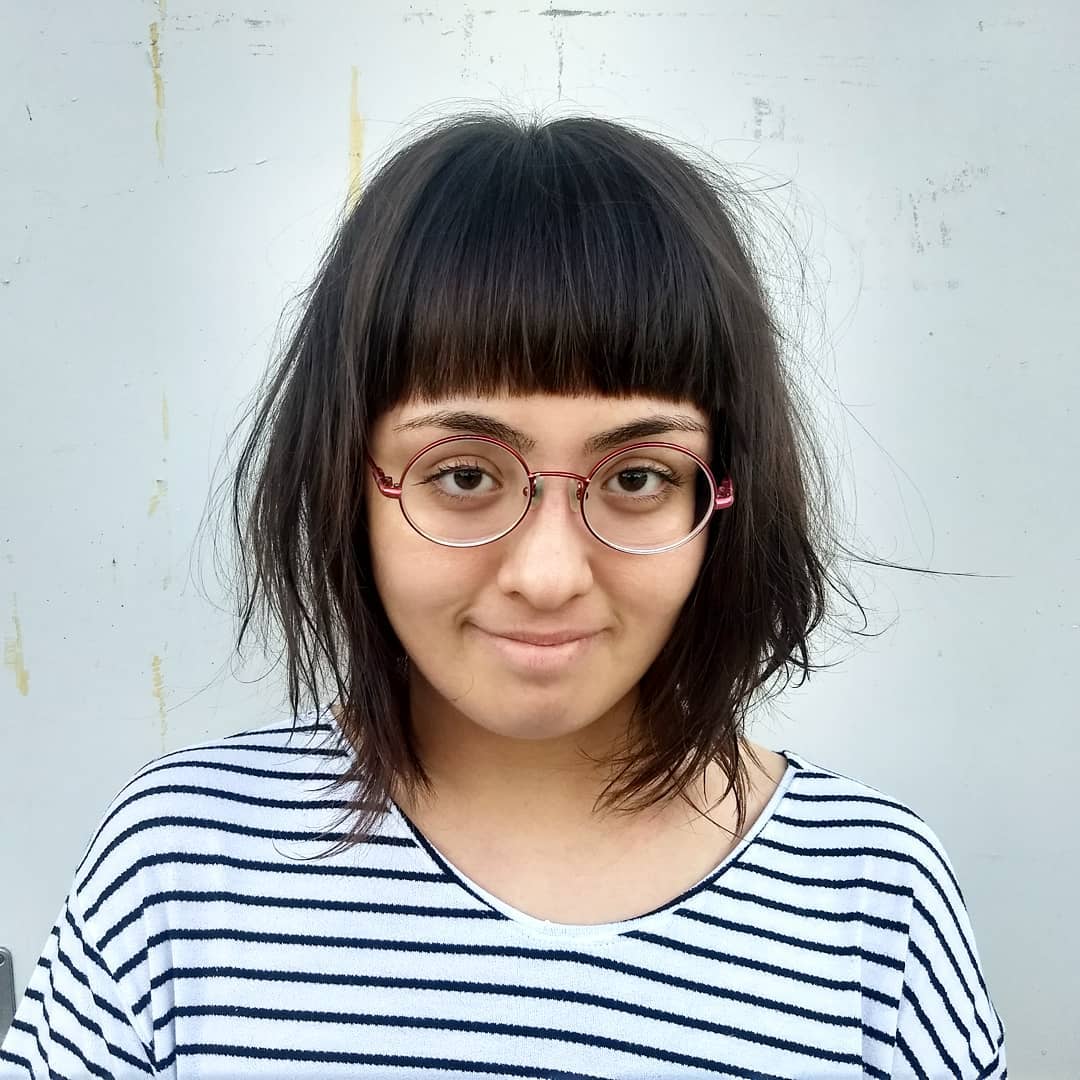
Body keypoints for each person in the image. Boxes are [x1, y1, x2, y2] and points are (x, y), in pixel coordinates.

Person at [0, 111, 1007, 1079]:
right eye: (465, 474)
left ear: (725, 497)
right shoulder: (182, 867)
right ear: (347, 481)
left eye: (637, 477)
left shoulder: (872, 904)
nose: (549, 574)